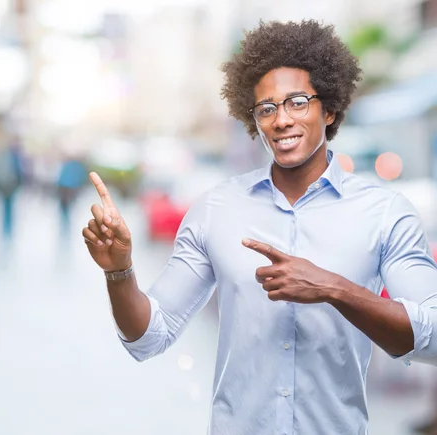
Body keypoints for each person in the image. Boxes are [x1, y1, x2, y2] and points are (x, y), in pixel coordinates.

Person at [82, 20, 437, 435]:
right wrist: (118, 270)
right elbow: (148, 338)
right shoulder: (216, 210)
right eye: (267, 108)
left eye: (298, 102)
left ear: (330, 109)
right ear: (254, 121)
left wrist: (332, 288)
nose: (281, 120)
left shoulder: (385, 213)